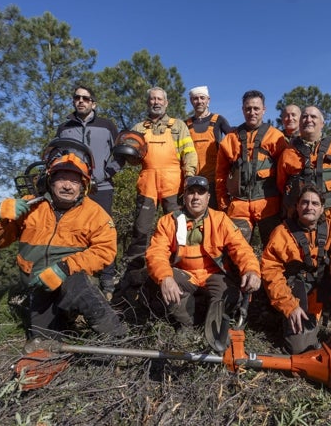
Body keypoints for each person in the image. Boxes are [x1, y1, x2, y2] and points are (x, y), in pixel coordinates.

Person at [0, 146, 127, 348]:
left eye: (74, 180)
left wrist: (64, 268)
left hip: (74, 281)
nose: (68, 185)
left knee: (77, 283)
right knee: (43, 343)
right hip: (38, 287)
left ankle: (118, 337)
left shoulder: (96, 214)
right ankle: (61, 328)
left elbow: (104, 252)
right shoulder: (30, 206)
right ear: (49, 181)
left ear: (84, 185)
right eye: (61, 178)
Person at [261, 185, 331, 361]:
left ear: (322, 208)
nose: (309, 207)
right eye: (305, 202)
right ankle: (289, 321)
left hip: (326, 286)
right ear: (297, 206)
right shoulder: (281, 233)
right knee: (299, 349)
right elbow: (271, 275)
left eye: (315, 203)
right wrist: (289, 306)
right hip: (299, 295)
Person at [145, 176, 261, 343]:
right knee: (160, 281)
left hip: (213, 274)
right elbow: (156, 253)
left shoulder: (220, 219)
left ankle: (214, 331)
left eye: (201, 193)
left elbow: (241, 248)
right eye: (191, 193)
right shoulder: (168, 221)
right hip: (185, 274)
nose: (196, 197)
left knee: (228, 294)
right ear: (184, 197)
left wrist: (251, 270)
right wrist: (165, 277)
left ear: (208, 198)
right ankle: (187, 324)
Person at [120, 87, 198, 289]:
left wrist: (190, 176)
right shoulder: (139, 127)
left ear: (166, 103)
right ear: (148, 102)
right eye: (152, 98)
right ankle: (134, 275)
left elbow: (189, 153)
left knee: (178, 228)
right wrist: (128, 153)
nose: (156, 102)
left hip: (174, 183)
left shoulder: (177, 126)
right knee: (141, 229)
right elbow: (134, 160)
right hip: (147, 183)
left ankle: (182, 269)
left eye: (159, 99)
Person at [55, 85, 121, 299]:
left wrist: (106, 173)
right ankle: (78, 276)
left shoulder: (107, 126)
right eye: (77, 97)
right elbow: (55, 157)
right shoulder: (64, 128)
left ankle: (108, 280)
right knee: (73, 232)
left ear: (94, 103)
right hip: (72, 190)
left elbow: (120, 154)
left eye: (86, 98)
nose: (81, 101)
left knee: (105, 232)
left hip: (101, 188)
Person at [216, 90, 287, 246]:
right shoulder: (230, 139)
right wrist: (224, 204)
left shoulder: (276, 137)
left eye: (256, 108)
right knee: (235, 251)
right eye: (248, 109)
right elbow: (220, 176)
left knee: (274, 250)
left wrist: (285, 204)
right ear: (242, 110)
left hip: (270, 205)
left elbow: (285, 174)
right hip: (238, 206)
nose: (252, 112)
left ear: (264, 109)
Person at [277, 106, 331, 225]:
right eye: (304, 117)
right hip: (299, 218)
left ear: (322, 123)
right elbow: (281, 184)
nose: (308, 120)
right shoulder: (288, 152)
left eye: (313, 116)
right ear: (300, 122)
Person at [185, 85, 232, 210]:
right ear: (191, 101)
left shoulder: (218, 120)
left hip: (214, 179)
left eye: (202, 98)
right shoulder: (186, 124)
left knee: (215, 214)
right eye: (195, 99)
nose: (199, 101)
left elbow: (233, 136)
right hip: (192, 179)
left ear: (208, 100)